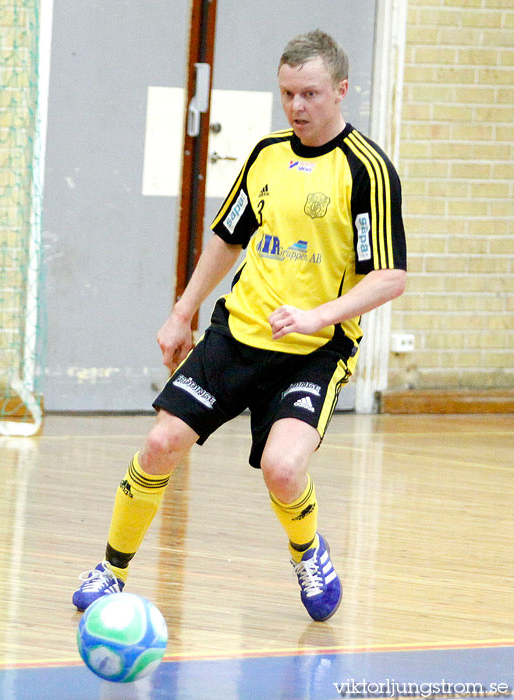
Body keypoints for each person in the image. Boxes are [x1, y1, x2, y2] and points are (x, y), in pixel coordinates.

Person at [73, 29, 406, 621]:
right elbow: (228, 239)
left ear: (341, 90)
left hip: (312, 351)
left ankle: (307, 550)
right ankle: (112, 570)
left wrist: (317, 315)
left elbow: (388, 277)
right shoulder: (267, 155)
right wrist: (182, 314)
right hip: (237, 334)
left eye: (310, 94)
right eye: (287, 94)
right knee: (160, 441)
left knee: (282, 469)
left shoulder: (367, 171)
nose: (297, 107)